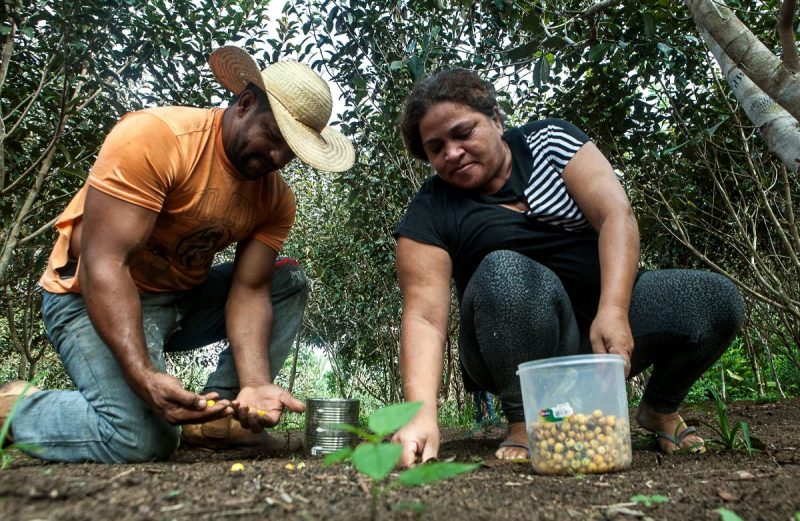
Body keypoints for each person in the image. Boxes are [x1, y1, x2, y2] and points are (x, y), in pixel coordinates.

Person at [0, 46, 355, 463]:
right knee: (139, 440)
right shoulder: (157, 138)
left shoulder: (276, 200)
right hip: (86, 294)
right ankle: (15, 408)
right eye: (274, 138)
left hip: (180, 299)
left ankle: (219, 417)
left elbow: (250, 290)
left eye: (291, 151)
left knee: (286, 279)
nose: (278, 157)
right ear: (243, 105)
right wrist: (145, 377)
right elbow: (103, 264)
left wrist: (255, 381)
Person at [390, 68, 744, 465]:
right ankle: (525, 419)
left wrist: (613, 309)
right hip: (510, 345)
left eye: (463, 133)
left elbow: (615, 215)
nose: (452, 152)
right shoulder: (429, 211)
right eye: (436, 148)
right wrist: (421, 414)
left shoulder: (551, 142)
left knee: (716, 299)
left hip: (603, 325)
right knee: (504, 270)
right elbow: (425, 318)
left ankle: (659, 408)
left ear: (495, 119)